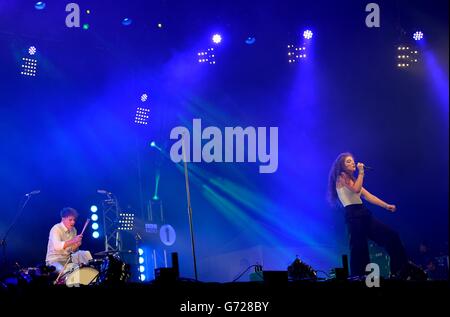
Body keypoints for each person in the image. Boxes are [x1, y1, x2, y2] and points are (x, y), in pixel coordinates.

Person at [327, 152, 409, 278]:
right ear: (341, 166)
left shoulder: (353, 180)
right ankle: (360, 276)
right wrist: (361, 172)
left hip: (363, 213)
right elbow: (356, 190)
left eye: (353, 161)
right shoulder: (341, 176)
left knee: (391, 236)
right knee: (359, 248)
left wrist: (386, 206)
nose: (353, 163)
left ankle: (400, 270)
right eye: (348, 161)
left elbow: (368, 196)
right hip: (353, 215)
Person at [45, 207, 92, 273]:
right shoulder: (56, 228)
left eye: (74, 220)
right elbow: (57, 246)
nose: (73, 222)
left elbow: (72, 251)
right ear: (63, 219)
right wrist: (73, 240)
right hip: (54, 260)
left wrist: (76, 245)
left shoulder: (73, 230)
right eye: (70, 220)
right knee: (65, 272)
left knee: (84, 255)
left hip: (67, 260)